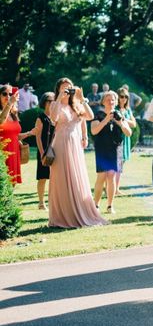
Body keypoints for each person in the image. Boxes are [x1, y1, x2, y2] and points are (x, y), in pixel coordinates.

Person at [48, 78, 107, 228]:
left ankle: (80, 211)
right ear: (59, 89)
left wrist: (82, 100)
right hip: (61, 144)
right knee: (62, 178)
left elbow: (90, 117)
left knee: (76, 176)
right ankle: (63, 214)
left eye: (69, 88)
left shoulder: (76, 104)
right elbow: (53, 119)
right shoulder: (55, 105)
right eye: (64, 88)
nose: (68, 90)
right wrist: (60, 97)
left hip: (75, 145)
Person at [92, 91, 132, 213]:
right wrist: (106, 120)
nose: (111, 101)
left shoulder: (120, 115)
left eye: (113, 99)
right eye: (108, 99)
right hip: (102, 148)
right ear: (103, 101)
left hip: (116, 148)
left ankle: (110, 206)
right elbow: (94, 131)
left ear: (116, 101)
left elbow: (128, 133)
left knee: (112, 176)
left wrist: (120, 123)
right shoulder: (98, 115)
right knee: (102, 176)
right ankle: (96, 205)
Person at [0, 85, 33, 184]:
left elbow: (15, 136)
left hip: (14, 151)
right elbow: (1, 120)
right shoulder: (2, 112)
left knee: (12, 182)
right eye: (4, 94)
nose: (8, 96)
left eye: (10, 94)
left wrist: (29, 133)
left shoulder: (13, 114)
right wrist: (10, 103)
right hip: (3, 152)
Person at [34, 92, 56, 209]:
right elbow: (37, 137)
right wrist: (42, 152)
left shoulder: (55, 117)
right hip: (43, 151)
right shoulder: (40, 118)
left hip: (55, 151)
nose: (52, 103)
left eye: (53, 101)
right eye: (49, 101)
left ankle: (52, 201)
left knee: (54, 177)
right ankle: (41, 203)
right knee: (43, 177)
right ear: (44, 102)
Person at [115, 88, 137, 193]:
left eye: (126, 97)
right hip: (117, 138)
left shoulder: (128, 110)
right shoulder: (115, 109)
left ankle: (116, 188)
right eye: (121, 96)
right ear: (118, 97)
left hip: (126, 138)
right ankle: (112, 187)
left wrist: (124, 119)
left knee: (121, 163)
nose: (123, 99)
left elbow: (134, 124)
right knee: (116, 164)